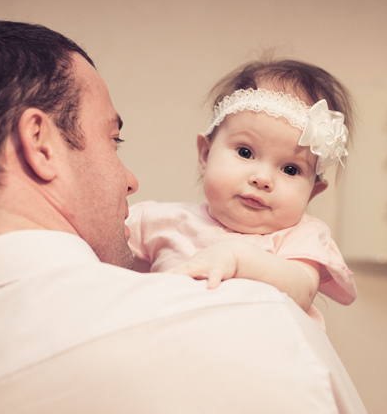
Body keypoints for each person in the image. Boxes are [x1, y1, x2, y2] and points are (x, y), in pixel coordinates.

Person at [0, 17, 375, 414]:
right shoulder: (259, 319)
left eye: (290, 169)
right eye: (114, 140)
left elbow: (302, 282)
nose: (131, 181)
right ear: (39, 143)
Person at [127, 59, 356, 329]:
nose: (262, 179)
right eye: (245, 153)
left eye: (290, 169)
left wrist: (236, 258)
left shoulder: (299, 237)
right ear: (205, 154)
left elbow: (302, 288)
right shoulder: (162, 220)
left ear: (313, 193)